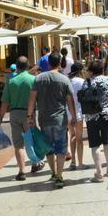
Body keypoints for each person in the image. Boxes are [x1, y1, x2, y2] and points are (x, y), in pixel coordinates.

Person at [27, 51, 76, 188]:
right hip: (60, 119)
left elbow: (32, 98)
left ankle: (53, 172)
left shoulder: (39, 79)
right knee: (61, 148)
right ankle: (60, 176)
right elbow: (70, 101)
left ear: (48, 63)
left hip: (44, 119)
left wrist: (29, 116)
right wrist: (74, 116)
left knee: (48, 147)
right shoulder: (64, 79)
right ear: (60, 63)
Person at [0, 56, 44, 181]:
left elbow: (5, 102)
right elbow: (39, 98)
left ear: (16, 67)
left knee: (18, 145)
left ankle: (22, 171)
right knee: (31, 139)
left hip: (15, 114)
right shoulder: (33, 79)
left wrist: (0, 117)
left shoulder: (11, 81)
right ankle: (35, 163)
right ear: (28, 66)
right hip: (29, 114)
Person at [83, 60, 108, 182]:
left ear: (91, 71)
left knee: (94, 145)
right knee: (107, 143)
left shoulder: (87, 82)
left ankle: (99, 172)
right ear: (103, 69)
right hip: (107, 115)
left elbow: (82, 99)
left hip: (91, 116)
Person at [67, 61, 86, 170]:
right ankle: (80, 163)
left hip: (68, 113)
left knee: (72, 136)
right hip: (78, 112)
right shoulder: (82, 82)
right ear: (80, 71)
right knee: (79, 139)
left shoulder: (67, 81)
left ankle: (73, 161)